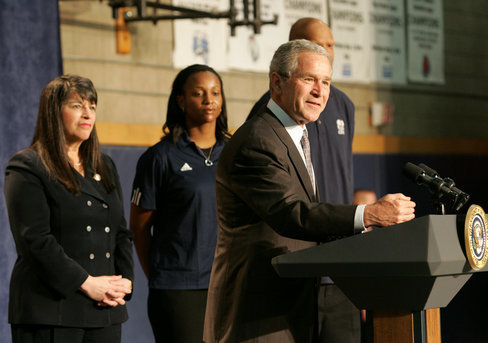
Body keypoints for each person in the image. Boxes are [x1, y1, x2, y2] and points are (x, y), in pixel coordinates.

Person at [203, 40, 416, 342]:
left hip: (294, 307)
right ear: (277, 82)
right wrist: (368, 214)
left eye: (326, 81)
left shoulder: (297, 135)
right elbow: (291, 213)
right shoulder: (257, 140)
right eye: (309, 79)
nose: (320, 91)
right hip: (258, 311)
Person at [247, 18, 359, 342]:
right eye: (316, 45)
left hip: (342, 271)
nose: (326, 51)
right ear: (291, 48)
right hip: (294, 269)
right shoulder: (266, 116)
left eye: (330, 45)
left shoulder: (344, 105)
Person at [3, 75, 134, 343]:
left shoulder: (104, 165)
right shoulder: (27, 166)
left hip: (105, 311)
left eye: (93, 107)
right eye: (77, 106)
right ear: (53, 112)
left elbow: (121, 232)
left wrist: (125, 282)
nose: (87, 114)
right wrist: (87, 283)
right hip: (51, 310)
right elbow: (35, 241)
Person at [130, 64, 230, 343]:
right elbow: (138, 229)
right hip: (178, 290)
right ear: (181, 100)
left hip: (228, 285)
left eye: (215, 93)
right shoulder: (160, 158)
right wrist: (162, 277)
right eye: (199, 93)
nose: (209, 100)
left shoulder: (236, 154)